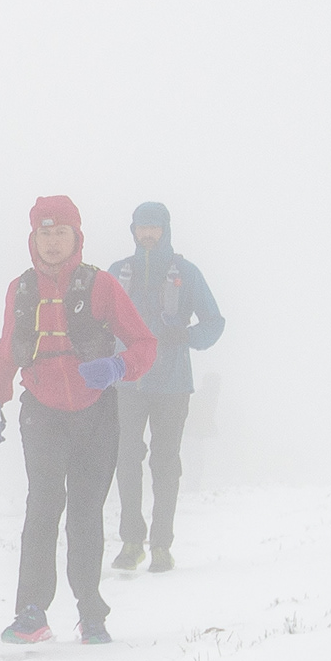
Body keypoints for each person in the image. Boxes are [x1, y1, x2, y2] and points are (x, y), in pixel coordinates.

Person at [0, 197, 157, 645]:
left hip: (96, 413)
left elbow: (144, 344)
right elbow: (6, 349)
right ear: (33, 238)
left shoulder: (101, 285)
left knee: (85, 512)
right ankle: (32, 612)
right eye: (45, 233)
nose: (52, 242)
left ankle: (90, 612)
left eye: (61, 233)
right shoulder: (21, 290)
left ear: (77, 237)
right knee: (42, 507)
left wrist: (117, 367)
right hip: (42, 412)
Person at [107, 201, 226, 572]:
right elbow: (99, 322)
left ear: (165, 229)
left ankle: (160, 545)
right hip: (127, 381)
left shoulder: (186, 273)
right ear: (133, 230)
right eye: (142, 227)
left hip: (172, 383)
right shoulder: (118, 273)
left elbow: (214, 322)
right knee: (126, 459)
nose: (148, 234)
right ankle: (132, 543)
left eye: (154, 227)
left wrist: (186, 335)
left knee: (165, 463)